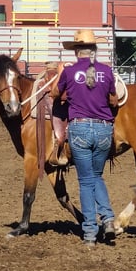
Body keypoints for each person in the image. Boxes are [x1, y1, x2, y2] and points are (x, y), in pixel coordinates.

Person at [51, 29, 119, 247]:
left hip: (80, 131)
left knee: (86, 181)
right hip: (104, 130)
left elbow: (55, 94)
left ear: (77, 51)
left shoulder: (69, 73)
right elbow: (114, 100)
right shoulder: (106, 71)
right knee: (97, 176)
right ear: (93, 51)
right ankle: (108, 219)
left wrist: (62, 71)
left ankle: (90, 232)